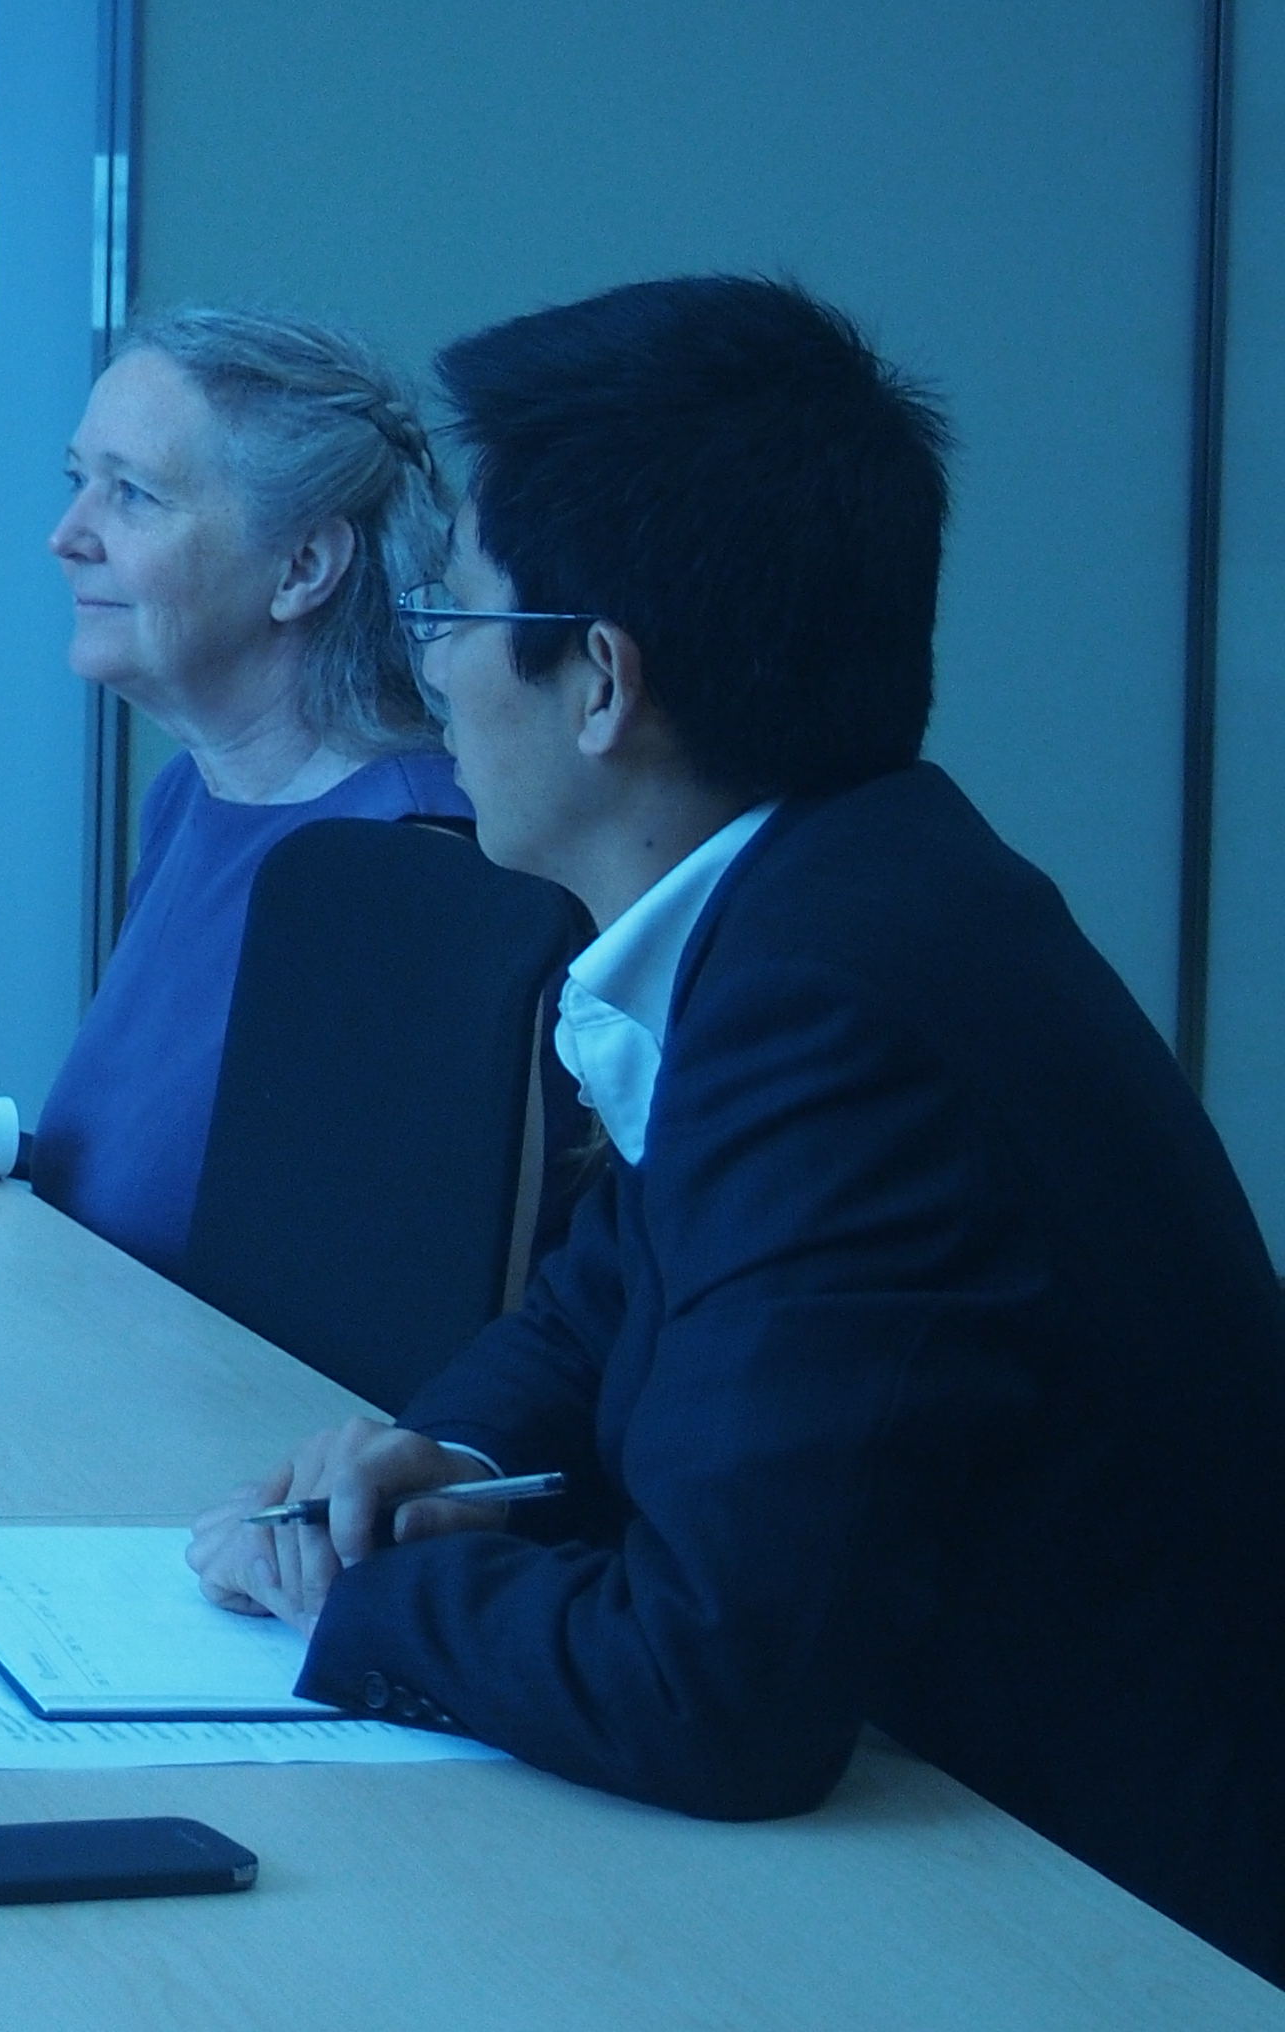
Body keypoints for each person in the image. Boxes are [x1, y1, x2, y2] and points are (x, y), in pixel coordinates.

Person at [188, 276, 1285, 1983]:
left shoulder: (835, 1010)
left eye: (452, 613)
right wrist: (445, 1460)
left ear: (600, 682)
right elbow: (616, 1285)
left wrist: (363, 1601)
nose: (431, 669)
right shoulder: (842, 893)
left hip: (1095, 1924)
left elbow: (713, 1690)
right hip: (955, 1826)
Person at [27, 306, 471, 1274]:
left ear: (302, 567)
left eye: (132, 494)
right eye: (77, 481)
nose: (68, 536)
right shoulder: (188, 797)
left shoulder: (413, 858)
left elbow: (348, 1287)